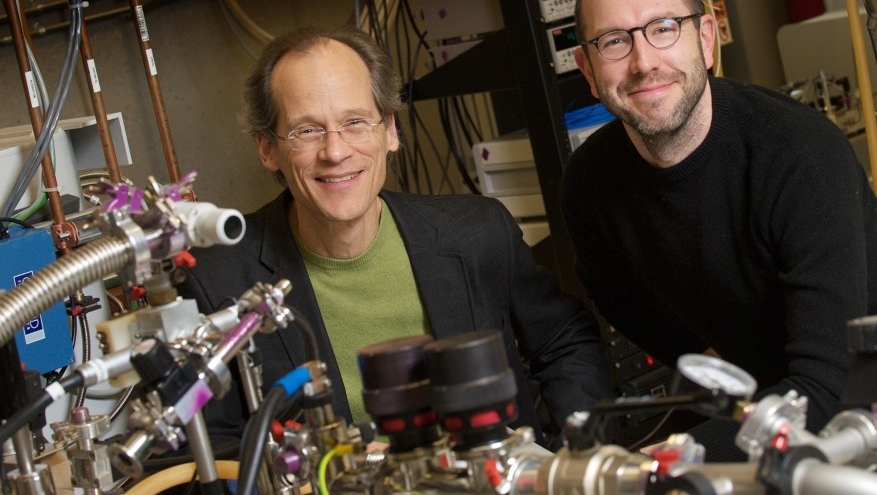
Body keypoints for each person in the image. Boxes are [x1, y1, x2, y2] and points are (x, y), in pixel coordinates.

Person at [560, 0, 877, 495]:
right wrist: (709, 365)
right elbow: (618, 298)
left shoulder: (797, 155)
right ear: (587, 69)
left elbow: (826, 386)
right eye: (614, 41)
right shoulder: (590, 185)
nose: (644, 61)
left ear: (706, 37)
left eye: (664, 28)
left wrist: (675, 456)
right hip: (783, 395)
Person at [178, 25, 611, 451]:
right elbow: (204, 448)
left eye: (355, 121)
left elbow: (565, 342)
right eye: (307, 130)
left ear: (389, 130)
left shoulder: (478, 233)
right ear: (267, 148)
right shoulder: (219, 282)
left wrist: (573, 459)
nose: (335, 151)